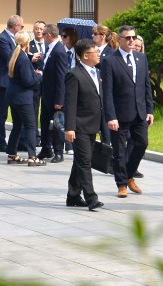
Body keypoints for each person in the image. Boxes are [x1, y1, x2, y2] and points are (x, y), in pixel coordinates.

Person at [101, 25, 154, 199]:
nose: (132, 41)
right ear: (120, 40)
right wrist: (111, 116)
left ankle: (129, 174)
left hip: (140, 111)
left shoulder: (141, 58)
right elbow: (107, 91)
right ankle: (121, 184)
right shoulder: (110, 60)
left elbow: (146, 86)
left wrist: (150, 110)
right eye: (128, 38)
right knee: (119, 150)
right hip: (119, 113)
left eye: (133, 37)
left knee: (141, 143)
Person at [64, 39, 105, 211]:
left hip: (93, 124)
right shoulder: (75, 74)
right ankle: (91, 197)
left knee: (80, 161)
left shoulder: (97, 72)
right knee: (85, 162)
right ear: (86, 55)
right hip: (79, 125)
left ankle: (73, 195)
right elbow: (70, 103)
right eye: (96, 51)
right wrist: (69, 127)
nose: (99, 54)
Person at [5, 30, 45, 166]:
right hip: (23, 97)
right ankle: (32, 157)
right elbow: (28, 81)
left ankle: (11, 154)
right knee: (30, 125)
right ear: (27, 42)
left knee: (17, 125)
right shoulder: (22, 58)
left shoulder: (15, 54)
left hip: (13, 96)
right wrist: (39, 75)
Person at [36, 23, 68, 163]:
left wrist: (59, 100)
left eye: (43, 34)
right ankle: (46, 147)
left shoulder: (59, 51)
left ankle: (58, 151)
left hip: (55, 95)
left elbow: (61, 77)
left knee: (56, 125)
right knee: (44, 122)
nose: (42, 36)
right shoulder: (49, 49)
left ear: (49, 35)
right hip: (47, 93)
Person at [0, 15, 22, 152]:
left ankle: (17, 141)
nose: (22, 29)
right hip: (4, 81)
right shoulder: (2, 39)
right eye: (21, 26)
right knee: (2, 113)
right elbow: (10, 58)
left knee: (16, 112)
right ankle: (1, 142)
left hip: (13, 81)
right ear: (15, 26)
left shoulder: (14, 39)